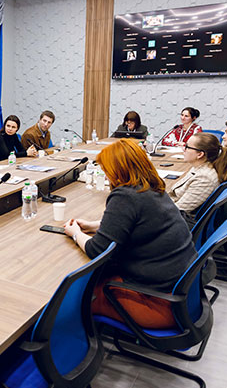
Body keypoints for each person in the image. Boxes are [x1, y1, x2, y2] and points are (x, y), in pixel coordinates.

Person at [63, 139, 197, 329]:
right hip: (177, 292)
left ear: (117, 170)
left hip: (156, 304)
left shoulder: (125, 196)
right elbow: (141, 223)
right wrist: (95, 226)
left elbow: (98, 250)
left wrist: (76, 233)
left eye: (106, 170)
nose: (106, 175)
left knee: (74, 296)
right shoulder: (152, 187)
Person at [169, 132, 227, 227]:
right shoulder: (200, 167)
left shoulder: (204, 178)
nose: (183, 149)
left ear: (200, 154)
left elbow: (177, 210)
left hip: (178, 224)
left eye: (187, 147)